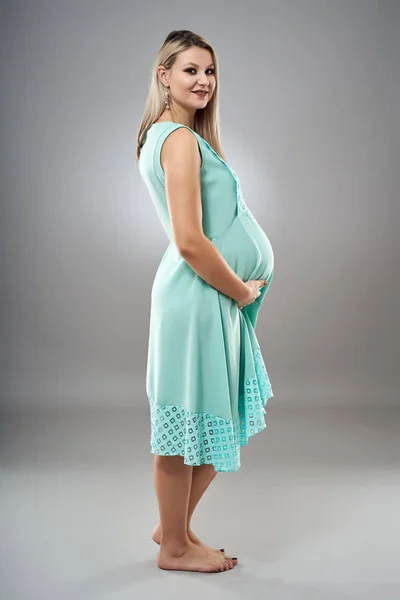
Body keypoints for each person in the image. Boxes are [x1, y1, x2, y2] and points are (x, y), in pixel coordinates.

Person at [136, 30, 275, 573]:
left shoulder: (176, 137)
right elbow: (190, 240)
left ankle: (173, 528)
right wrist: (241, 290)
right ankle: (174, 547)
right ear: (164, 75)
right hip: (201, 299)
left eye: (210, 71)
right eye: (190, 70)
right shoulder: (176, 139)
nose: (203, 81)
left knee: (219, 412)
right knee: (184, 421)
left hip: (208, 302)